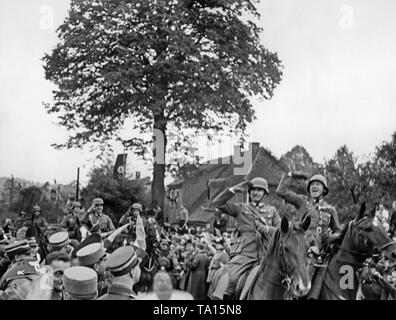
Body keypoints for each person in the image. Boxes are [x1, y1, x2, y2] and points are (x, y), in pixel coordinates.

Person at [211, 177, 281, 299]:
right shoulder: (241, 208)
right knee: (227, 277)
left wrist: (268, 229)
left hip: (267, 253)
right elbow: (217, 203)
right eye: (253, 189)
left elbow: (281, 231)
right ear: (249, 192)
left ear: (264, 193)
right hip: (245, 253)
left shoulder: (272, 210)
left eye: (260, 190)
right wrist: (234, 190)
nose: (256, 192)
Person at [276, 172, 341, 251]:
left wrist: (333, 237)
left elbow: (337, 231)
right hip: (303, 245)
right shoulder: (302, 202)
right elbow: (281, 191)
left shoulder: (330, 210)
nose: (314, 186)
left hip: (324, 248)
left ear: (324, 190)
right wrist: (290, 175)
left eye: (318, 184)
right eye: (312, 185)